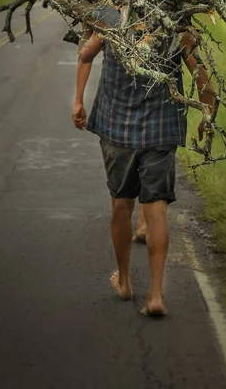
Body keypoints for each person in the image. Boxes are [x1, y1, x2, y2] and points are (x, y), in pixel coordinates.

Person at [72, 29, 215, 316]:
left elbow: (85, 54)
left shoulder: (111, 17)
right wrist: (207, 113)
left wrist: (78, 100)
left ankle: (124, 280)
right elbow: (201, 76)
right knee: (156, 207)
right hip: (161, 128)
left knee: (122, 203)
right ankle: (156, 294)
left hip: (117, 126)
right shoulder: (176, 24)